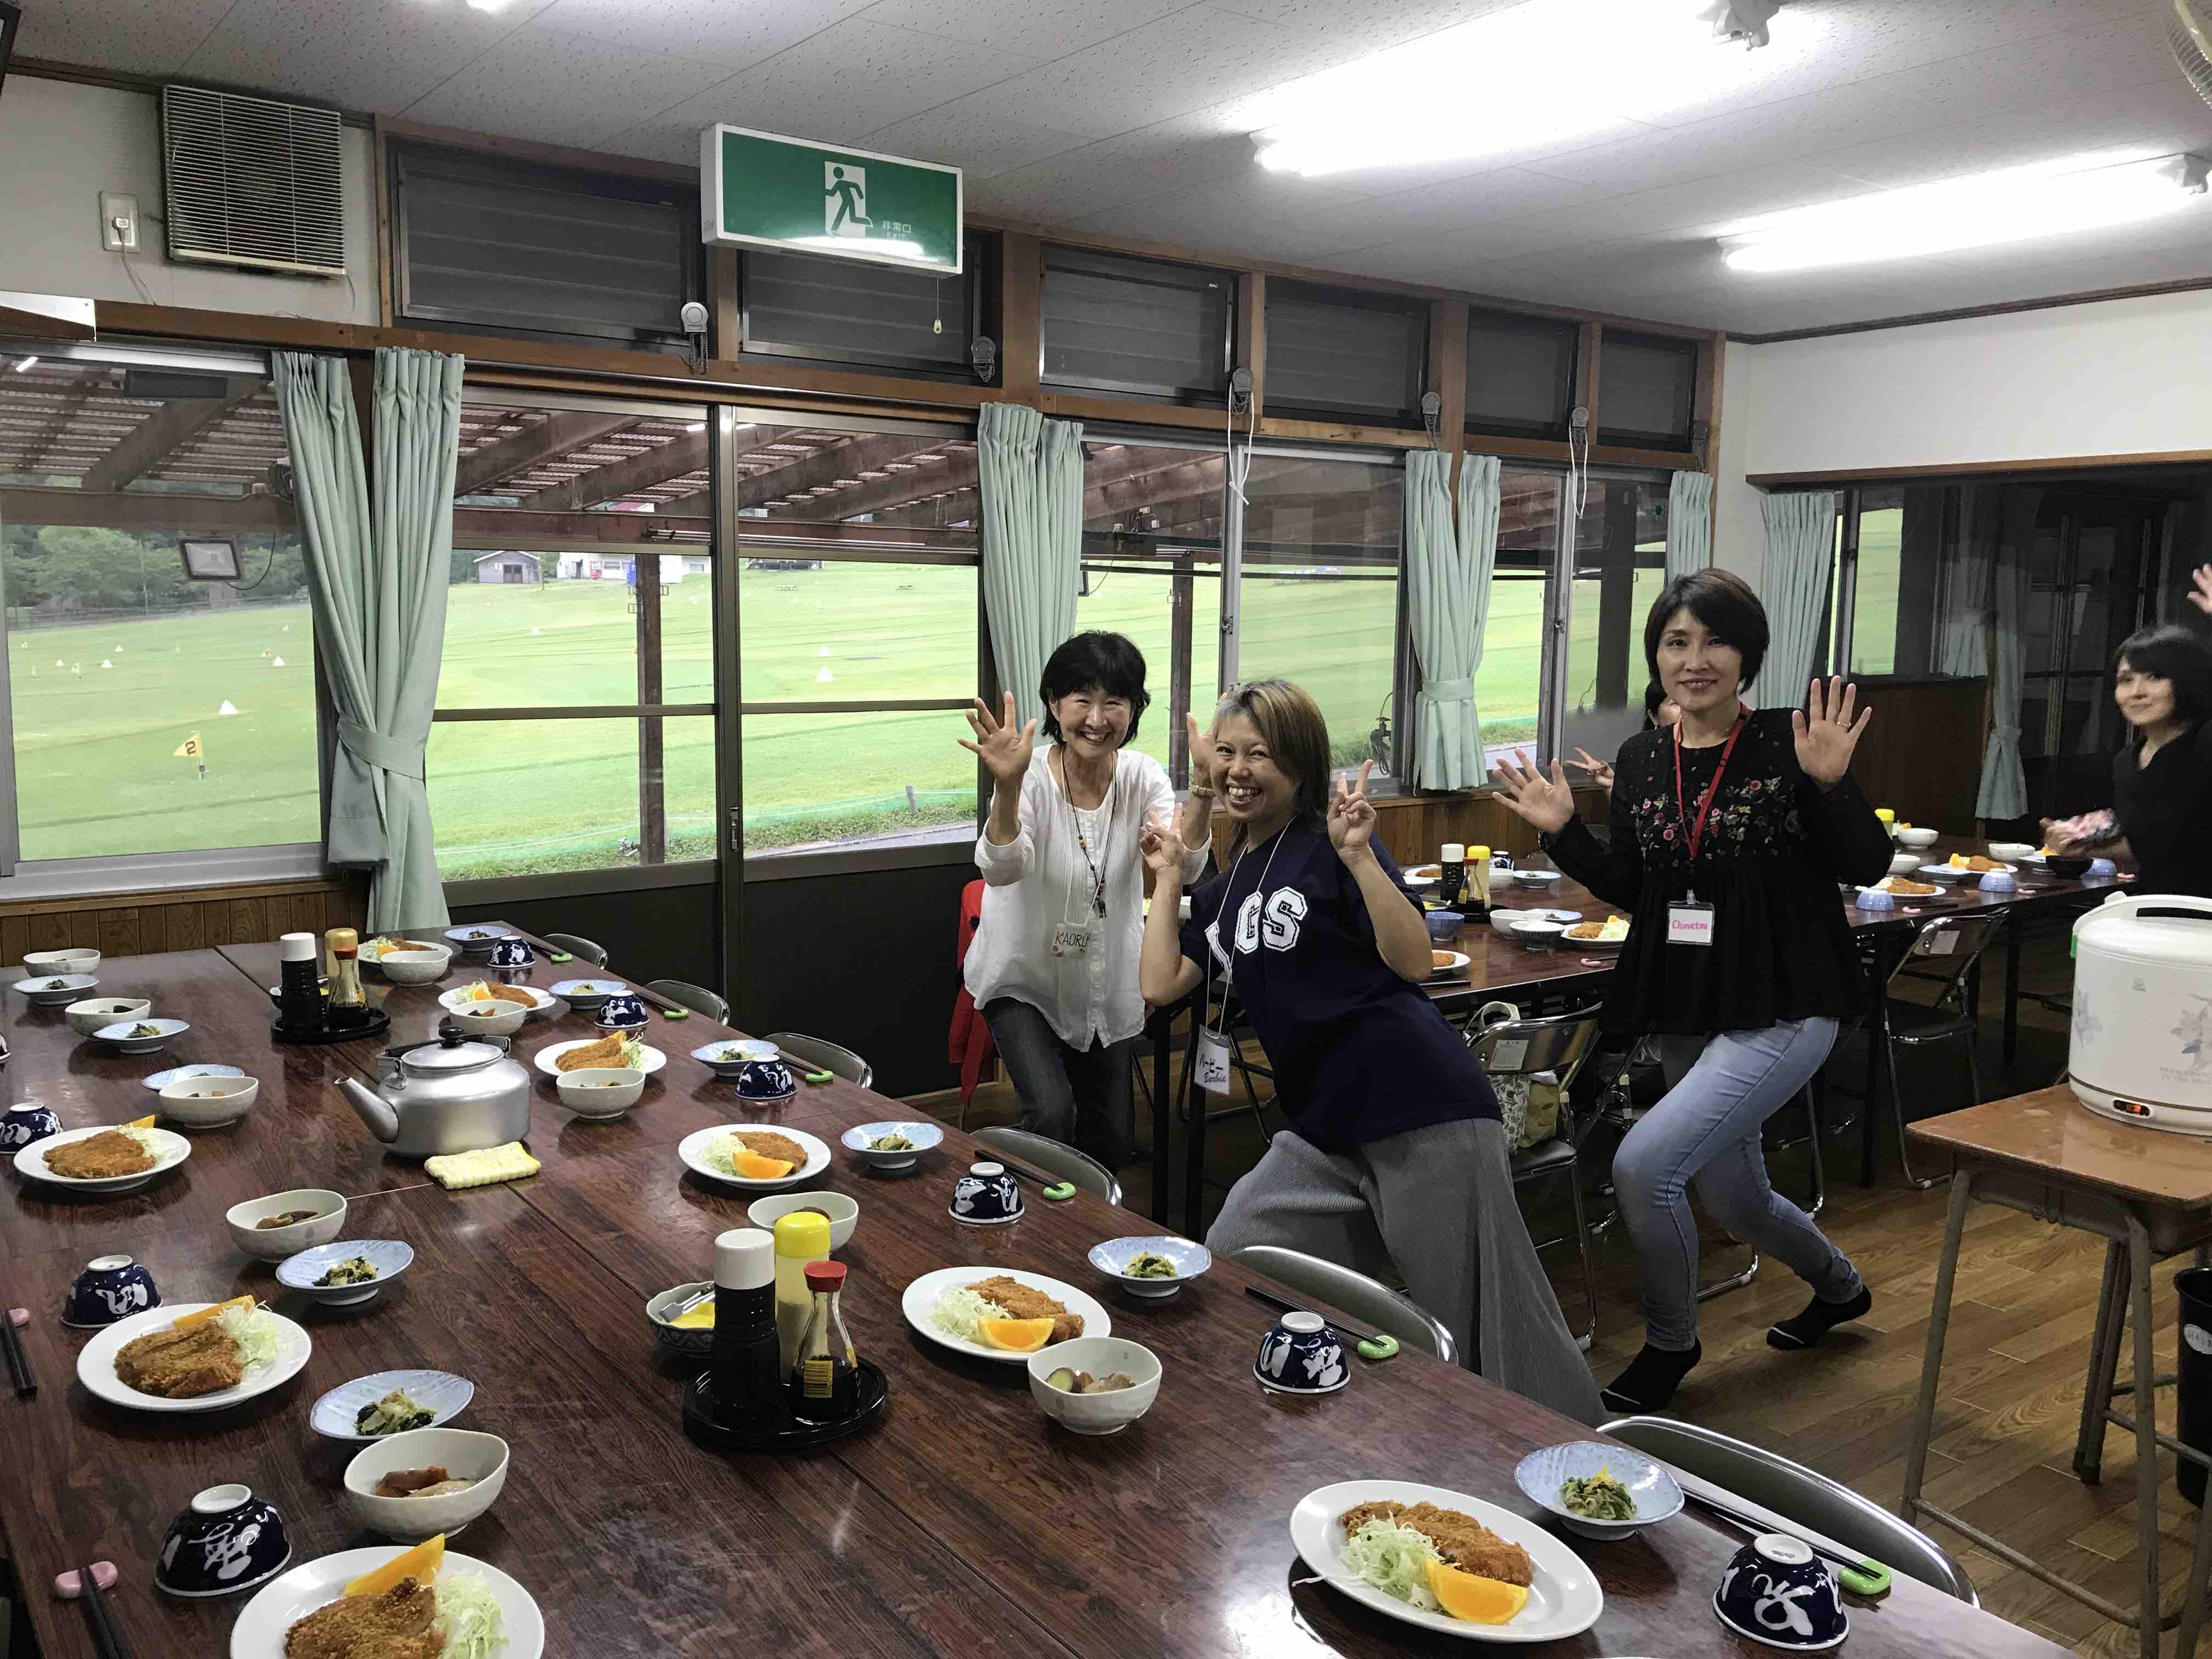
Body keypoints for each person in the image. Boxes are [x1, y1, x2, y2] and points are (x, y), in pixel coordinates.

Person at [1137, 679, 1601, 1421]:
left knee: (1482, 1314)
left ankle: (1569, 1463)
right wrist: (1167, 882)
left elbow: (1414, 960)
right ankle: (1333, 1405)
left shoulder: (1333, 842)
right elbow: (1161, 983)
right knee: (1239, 1251)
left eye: (1261, 753)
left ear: (1300, 765)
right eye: (1226, 752)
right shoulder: (1229, 883)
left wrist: (1360, 860)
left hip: (1418, 1106)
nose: (1239, 769)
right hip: (1324, 1126)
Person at [1493, 568, 1891, 1413]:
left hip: (1788, 999)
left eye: (1715, 640)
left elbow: (1867, 865)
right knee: (1735, 1194)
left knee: (1644, 1165)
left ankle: (1672, 1344)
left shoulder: (1792, 739)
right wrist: (1563, 832)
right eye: (1677, 641)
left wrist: (1831, 783)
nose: (1695, 659)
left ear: (1747, 653)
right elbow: (1640, 886)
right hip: (1689, 996)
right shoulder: (1643, 759)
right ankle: (1841, 1288)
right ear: (1657, 657)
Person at [959, 632, 1212, 1169]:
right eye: (1083, 700)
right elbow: (1001, 869)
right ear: (1055, 703)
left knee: (1111, 1144)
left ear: (1133, 710)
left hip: (1107, 985)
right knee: (1052, 1115)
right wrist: (1005, 789)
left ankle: (1090, 1245)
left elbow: (1185, 864)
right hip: (1022, 978)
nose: (1097, 718)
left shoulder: (1142, 776)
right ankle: (1015, 1210)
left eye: (1114, 701)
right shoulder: (1028, 777)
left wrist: (1206, 793)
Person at [2044, 566, 2212, 898]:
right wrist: (2083, 845)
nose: (2136, 692)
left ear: (2187, 681)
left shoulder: (2204, 743)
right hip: (2155, 908)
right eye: (2125, 680)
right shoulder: (2127, 761)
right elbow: (2149, 847)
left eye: (2153, 677)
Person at [1569, 681, 1681, 792]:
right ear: (1654, 717)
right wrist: (1612, 786)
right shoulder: (1638, 759)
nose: (1687, 709)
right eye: (1675, 703)